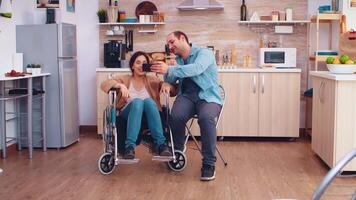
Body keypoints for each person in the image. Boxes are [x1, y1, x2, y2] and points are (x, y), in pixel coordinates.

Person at [151, 31, 222, 181]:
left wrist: (170, 69)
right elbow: (171, 78)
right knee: (175, 116)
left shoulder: (204, 53)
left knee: (206, 118)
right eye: (168, 44)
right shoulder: (177, 60)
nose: (170, 46)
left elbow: (196, 68)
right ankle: (177, 150)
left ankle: (209, 164)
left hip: (208, 97)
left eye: (172, 42)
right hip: (186, 97)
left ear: (182, 38)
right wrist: (167, 77)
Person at [101, 51, 174, 159]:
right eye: (138, 63)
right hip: (128, 114)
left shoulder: (153, 80)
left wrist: (167, 84)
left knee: (149, 101)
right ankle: (129, 146)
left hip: (149, 115)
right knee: (137, 102)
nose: (141, 66)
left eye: (144, 63)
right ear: (132, 66)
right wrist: (120, 85)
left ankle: (161, 145)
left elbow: (173, 91)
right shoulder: (124, 79)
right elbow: (104, 84)